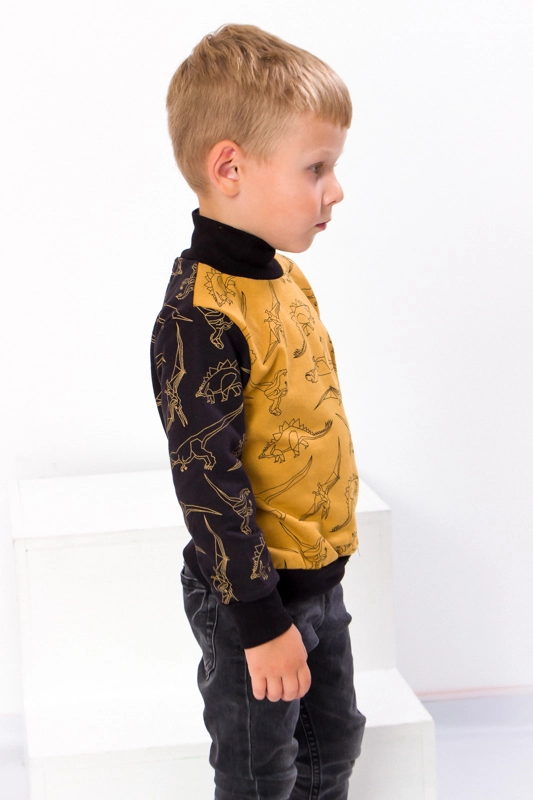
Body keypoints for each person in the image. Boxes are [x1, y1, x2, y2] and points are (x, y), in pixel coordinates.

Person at [150, 23, 366, 800]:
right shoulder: (201, 317)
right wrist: (261, 622)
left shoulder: (283, 278)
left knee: (331, 748)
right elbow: (208, 482)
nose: (334, 190)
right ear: (231, 168)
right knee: (257, 772)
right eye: (316, 167)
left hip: (318, 583)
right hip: (251, 599)